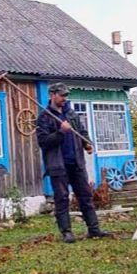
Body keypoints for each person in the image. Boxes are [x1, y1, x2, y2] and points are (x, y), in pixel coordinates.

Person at [36, 82, 112, 243]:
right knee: (62, 198)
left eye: (66, 95)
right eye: (62, 95)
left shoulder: (71, 114)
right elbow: (44, 142)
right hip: (58, 165)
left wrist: (87, 143)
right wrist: (60, 132)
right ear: (52, 95)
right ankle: (67, 233)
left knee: (85, 196)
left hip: (76, 162)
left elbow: (81, 131)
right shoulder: (44, 117)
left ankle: (94, 229)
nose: (65, 98)